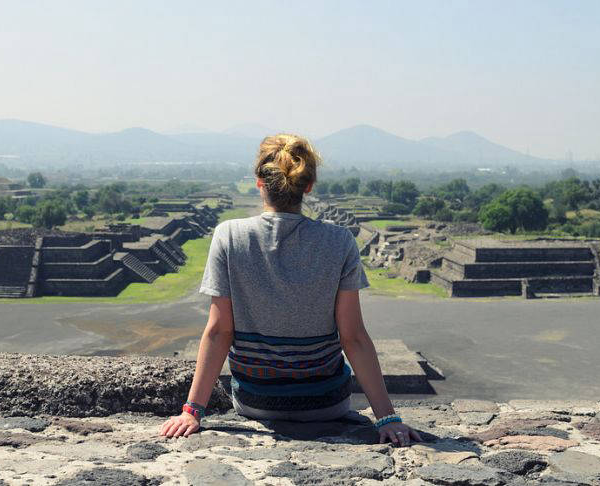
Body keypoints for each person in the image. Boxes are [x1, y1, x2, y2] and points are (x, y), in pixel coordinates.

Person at [159, 134, 422, 446]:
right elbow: (353, 338)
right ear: (308, 185)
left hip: (256, 405)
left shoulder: (229, 236)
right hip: (326, 405)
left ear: (259, 182)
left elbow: (218, 332)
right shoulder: (339, 242)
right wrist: (388, 418)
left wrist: (192, 412)